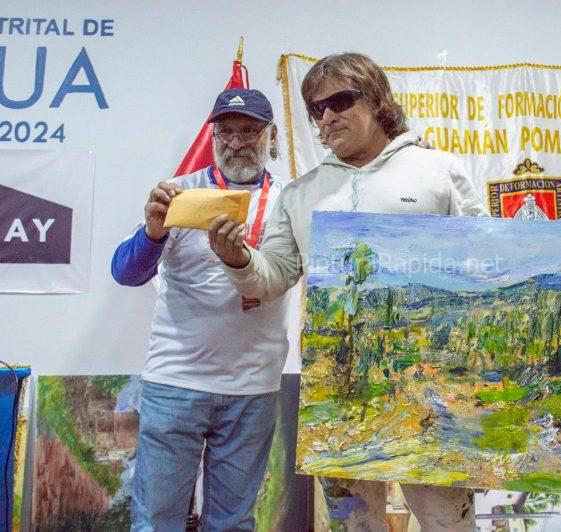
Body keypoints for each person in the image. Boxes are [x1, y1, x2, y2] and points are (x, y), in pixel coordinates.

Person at [209, 53, 487, 531]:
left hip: (432, 385)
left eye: (340, 101)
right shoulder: (301, 194)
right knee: (353, 525)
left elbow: (485, 262)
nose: (328, 116)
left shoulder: (437, 172)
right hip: (337, 386)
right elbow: (272, 277)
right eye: (317, 109)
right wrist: (238, 260)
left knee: (449, 521)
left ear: (377, 100)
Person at [111, 88, 290, 531]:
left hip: (254, 387)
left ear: (272, 136)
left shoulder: (290, 201)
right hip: (176, 382)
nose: (236, 142)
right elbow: (126, 273)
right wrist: (153, 232)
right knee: (156, 521)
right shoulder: (181, 192)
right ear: (212, 137)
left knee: (233, 523)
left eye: (249, 131)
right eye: (225, 132)